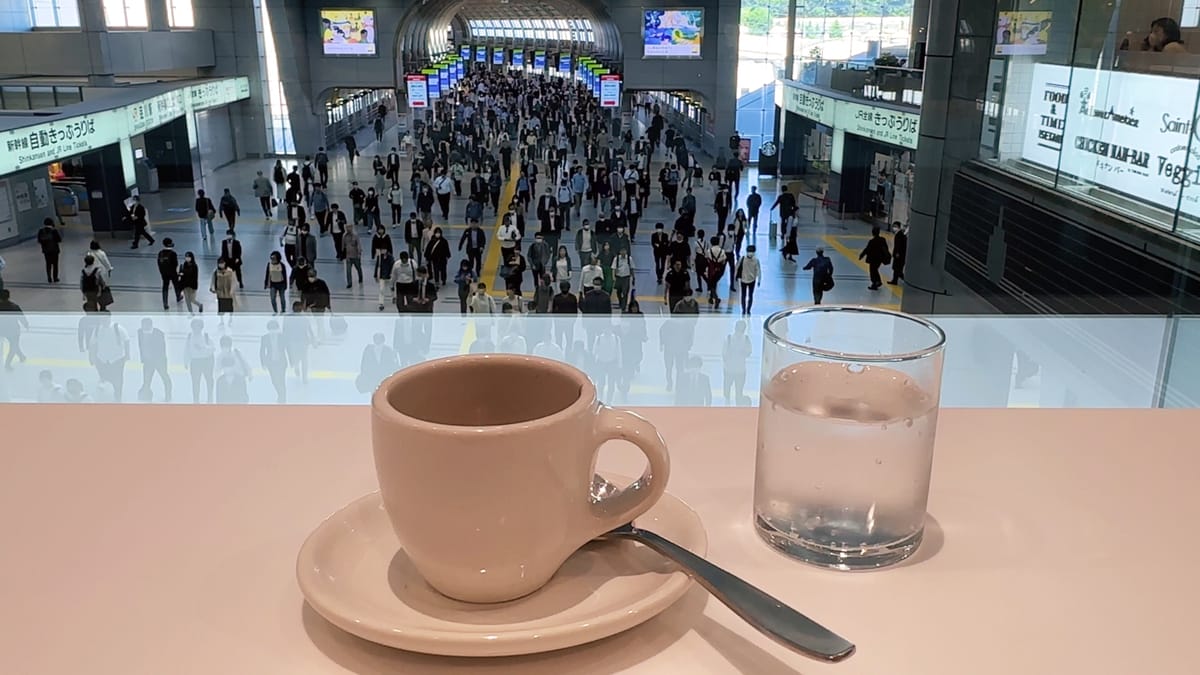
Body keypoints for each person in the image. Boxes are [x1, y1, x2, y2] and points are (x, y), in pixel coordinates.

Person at [90, 315, 130, 402]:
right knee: (103, 376)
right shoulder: (97, 329)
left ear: (109, 318)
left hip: (117, 359)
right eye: (102, 318)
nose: (103, 320)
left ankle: (118, 396)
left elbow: (126, 340)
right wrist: (92, 357)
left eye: (105, 318)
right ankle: (105, 392)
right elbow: (93, 343)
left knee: (118, 380)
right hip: (102, 358)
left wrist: (127, 354)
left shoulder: (118, 328)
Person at [137, 318, 171, 402]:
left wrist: (159, 361)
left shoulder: (159, 333)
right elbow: (141, 346)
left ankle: (168, 396)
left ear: (150, 325)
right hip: (147, 361)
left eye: (145, 325)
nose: (143, 327)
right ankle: (147, 396)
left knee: (165, 377)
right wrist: (143, 358)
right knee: (146, 380)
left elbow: (162, 349)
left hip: (159, 360)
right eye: (142, 325)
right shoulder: (140, 332)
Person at [184, 318, 215, 403]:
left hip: (207, 361)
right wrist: (186, 361)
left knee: (209, 380)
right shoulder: (190, 337)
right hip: (195, 362)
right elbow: (186, 349)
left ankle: (210, 398)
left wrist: (204, 347)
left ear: (201, 328)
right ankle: (196, 400)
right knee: (195, 382)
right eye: (194, 327)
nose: (196, 329)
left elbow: (213, 348)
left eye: (198, 327)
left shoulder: (206, 336)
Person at [215, 335, 251, 404]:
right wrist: (219, 380)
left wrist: (250, 373)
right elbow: (217, 369)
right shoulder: (220, 356)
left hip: (240, 377)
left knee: (241, 395)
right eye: (223, 346)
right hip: (228, 377)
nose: (225, 348)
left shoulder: (237, 353)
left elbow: (245, 362)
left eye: (227, 346)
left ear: (230, 345)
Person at [722, 320, 752, 405]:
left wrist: (744, 353)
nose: (739, 332)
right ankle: (727, 402)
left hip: (740, 370)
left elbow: (749, 352)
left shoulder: (746, 339)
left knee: (739, 390)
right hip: (729, 369)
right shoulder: (729, 339)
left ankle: (737, 404)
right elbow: (724, 354)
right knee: (727, 389)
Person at [260, 320, 290, 403]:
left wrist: (291, 361)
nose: (272, 331)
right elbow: (262, 351)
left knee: (281, 380)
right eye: (270, 329)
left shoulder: (282, 337)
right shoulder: (265, 338)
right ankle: (280, 394)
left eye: (274, 329)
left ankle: (283, 398)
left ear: (277, 329)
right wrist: (263, 363)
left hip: (281, 362)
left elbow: (288, 349)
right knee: (274, 381)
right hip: (271, 363)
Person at [0, 289, 29, 370]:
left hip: (1, 330)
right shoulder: (14, 306)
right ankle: (7, 364)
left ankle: (21, 356)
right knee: (13, 345)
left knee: (13, 345)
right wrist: (26, 324)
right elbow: (21, 316)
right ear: (8, 296)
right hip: (13, 330)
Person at [859, 226, 892, 290]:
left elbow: (867, 249)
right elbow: (886, 248)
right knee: (875, 270)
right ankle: (878, 281)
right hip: (880, 259)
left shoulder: (872, 241)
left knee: (872, 271)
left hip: (873, 259)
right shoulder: (883, 239)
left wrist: (861, 255)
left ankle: (874, 284)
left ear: (872, 233)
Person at [372, 225, 395, 311]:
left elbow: (393, 266)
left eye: (384, 249)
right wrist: (375, 275)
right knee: (381, 289)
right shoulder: (379, 257)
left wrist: (392, 275)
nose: (383, 251)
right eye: (382, 249)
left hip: (389, 276)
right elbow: (377, 266)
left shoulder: (390, 258)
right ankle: (381, 303)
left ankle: (394, 297)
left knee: (391, 287)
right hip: (381, 275)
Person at [211, 257, 238, 326]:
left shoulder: (229, 271)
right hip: (220, 293)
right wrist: (213, 288)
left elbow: (233, 281)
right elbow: (213, 281)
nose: (221, 265)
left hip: (228, 293)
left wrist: (232, 290)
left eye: (222, 263)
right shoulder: (216, 272)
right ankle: (221, 321)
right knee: (221, 308)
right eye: (220, 264)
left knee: (230, 307)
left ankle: (230, 320)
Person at [156, 238, 182, 311]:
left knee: (165, 287)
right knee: (176, 284)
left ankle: (165, 303)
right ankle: (178, 296)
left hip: (164, 273)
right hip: (172, 272)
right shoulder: (173, 253)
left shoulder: (160, 253)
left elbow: (158, 263)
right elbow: (175, 264)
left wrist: (162, 272)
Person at [736, 245, 762, 315]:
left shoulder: (743, 258)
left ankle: (745, 309)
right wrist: (759, 280)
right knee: (749, 295)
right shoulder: (754, 260)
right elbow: (758, 271)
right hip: (750, 280)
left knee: (744, 295)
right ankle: (747, 310)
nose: (751, 253)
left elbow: (737, 267)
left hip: (745, 280)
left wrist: (759, 280)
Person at [704, 235, 727, 309]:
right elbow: (724, 261)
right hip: (719, 270)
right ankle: (711, 298)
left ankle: (716, 298)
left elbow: (707, 260)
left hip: (711, 269)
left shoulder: (709, 251)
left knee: (711, 284)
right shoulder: (722, 251)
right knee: (714, 283)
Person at [37, 218, 62, 283]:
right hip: (54, 250)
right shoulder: (54, 231)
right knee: (55, 264)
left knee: (48, 264)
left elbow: (39, 240)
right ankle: (55, 278)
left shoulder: (41, 231)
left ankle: (49, 278)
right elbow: (59, 240)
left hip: (46, 251)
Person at [343, 225, 364, 289]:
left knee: (358, 268)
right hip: (348, 256)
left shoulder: (355, 236)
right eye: (347, 227)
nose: (348, 229)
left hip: (355, 256)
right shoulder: (344, 236)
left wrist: (359, 253)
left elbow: (359, 245)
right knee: (348, 271)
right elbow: (343, 246)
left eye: (349, 227)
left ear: (352, 228)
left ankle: (360, 278)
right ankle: (349, 283)